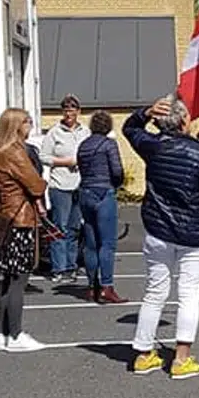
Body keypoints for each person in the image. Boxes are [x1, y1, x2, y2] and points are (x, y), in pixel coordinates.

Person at [123, 97, 199, 379]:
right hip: (194, 233)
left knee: (155, 291)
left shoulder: (153, 146)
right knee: (189, 294)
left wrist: (144, 113)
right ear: (184, 122)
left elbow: (129, 129)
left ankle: (143, 354)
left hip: (159, 229)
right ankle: (181, 358)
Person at [0, 107, 49, 352]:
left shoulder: (1, 153)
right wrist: (42, 181)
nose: (31, 125)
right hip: (20, 221)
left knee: (8, 279)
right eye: (27, 121)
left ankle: (2, 333)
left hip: (6, 220)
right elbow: (36, 185)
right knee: (18, 280)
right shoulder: (14, 153)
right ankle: (15, 334)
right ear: (15, 126)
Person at [75, 110, 126, 303]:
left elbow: (80, 167)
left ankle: (91, 287)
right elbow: (117, 170)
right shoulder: (108, 144)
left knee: (91, 243)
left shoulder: (83, 145)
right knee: (107, 243)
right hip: (104, 192)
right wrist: (117, 183)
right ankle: (106, 286)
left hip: (85, 191)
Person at [41, 95, 87, 282]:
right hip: (60, 185)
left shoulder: (85, 131)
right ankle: (58, 268)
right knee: (59, 226)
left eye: (72, 109)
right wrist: (64, 162)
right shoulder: (54, 132)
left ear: (78, 111)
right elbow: (44, 156)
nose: (69, 113)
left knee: (74, 228)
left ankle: (71, 265)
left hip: (79, 184)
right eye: (66, 110)